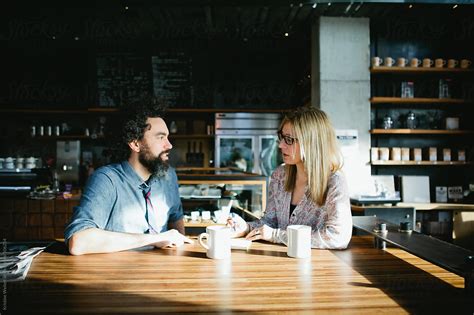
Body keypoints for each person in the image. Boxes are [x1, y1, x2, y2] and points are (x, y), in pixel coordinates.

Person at [65, 101, 192, 255]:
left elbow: (175, 217)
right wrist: (154, 239)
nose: (169, 145)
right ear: (135, 144)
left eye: (168, 137)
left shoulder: (169, 175)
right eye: (161, 137)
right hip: (119, 275)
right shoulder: (106, 179)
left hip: (161, 275)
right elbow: (78, 242)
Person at [229, 106, 352, 249]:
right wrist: (246, 227)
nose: (281, 145)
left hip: (318, 268)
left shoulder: (334, 182)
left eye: (289, 140)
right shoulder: (279, 175)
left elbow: (338, 238)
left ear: (311, 143)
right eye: (281, 137)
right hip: (280, 263)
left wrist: (276, 236)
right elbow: (270, 222)